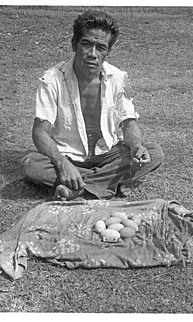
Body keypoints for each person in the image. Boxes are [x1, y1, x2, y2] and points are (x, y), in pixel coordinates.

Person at [21, 10, 164, 201]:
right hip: (68, 154)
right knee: (30, 164)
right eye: (86, 44)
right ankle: (109, 182)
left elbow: (128, 123)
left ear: (108, 51)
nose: (92, 54)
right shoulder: (52, 79)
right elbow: (40, 132)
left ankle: (79, 187)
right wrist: (63, 163)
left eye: (101, 47)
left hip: (108, 153)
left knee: (154, 152)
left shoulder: (119, 78)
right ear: (74, 44)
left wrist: (137, 147)